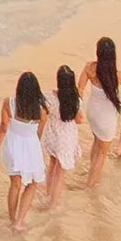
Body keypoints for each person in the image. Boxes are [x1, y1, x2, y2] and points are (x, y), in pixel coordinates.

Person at [1, 70, 49, 229]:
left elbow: (3, 127)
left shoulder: (9, 103)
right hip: (30, 146)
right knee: (32, 184)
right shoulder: (41, 110)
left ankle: (11, 218)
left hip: (12, 144)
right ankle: (19, 221)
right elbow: (39, 133)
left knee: (15, 184)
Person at [79, 34, 121, 187]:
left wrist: (77, 109)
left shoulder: (89, 68)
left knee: (96, 142)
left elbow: (80, 88)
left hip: (92, 111)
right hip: (106, 117)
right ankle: (91, 185)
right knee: (102, 153)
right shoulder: (117, 75)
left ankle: (90, 170)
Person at [42, 64, 84, 204]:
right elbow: (79, 120)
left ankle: (48, 195)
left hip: (52, 134)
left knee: (52, 164)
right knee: (60, 172)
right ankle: (53, 204)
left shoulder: (49, 97)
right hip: (66, 137)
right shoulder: (76, 100)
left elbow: (43, 113)